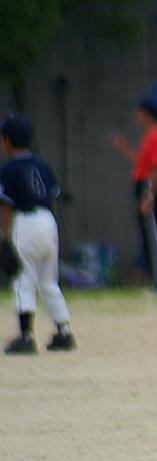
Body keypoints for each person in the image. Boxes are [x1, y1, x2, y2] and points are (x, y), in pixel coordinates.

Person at [0, 114, 75, 354]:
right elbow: (53, 199)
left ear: (6, 141)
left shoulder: (8, 168)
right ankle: (63, 332)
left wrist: (4, 238)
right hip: (47, 222)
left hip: (25, 222)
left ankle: (25, 337)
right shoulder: (43, 165)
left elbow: (6, 206)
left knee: (23, 279)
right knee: (48, 281)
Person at [111, 97, 157, 293]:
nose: (136, 116)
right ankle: (156, 281)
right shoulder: (149, 136)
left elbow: (156, 169)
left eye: (139, 112)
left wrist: (150, 195)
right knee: (147, 237)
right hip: (144, 184)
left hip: (150, 187)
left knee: (154, 236)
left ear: (147, 114)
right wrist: (124, 148)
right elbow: (142, 164)